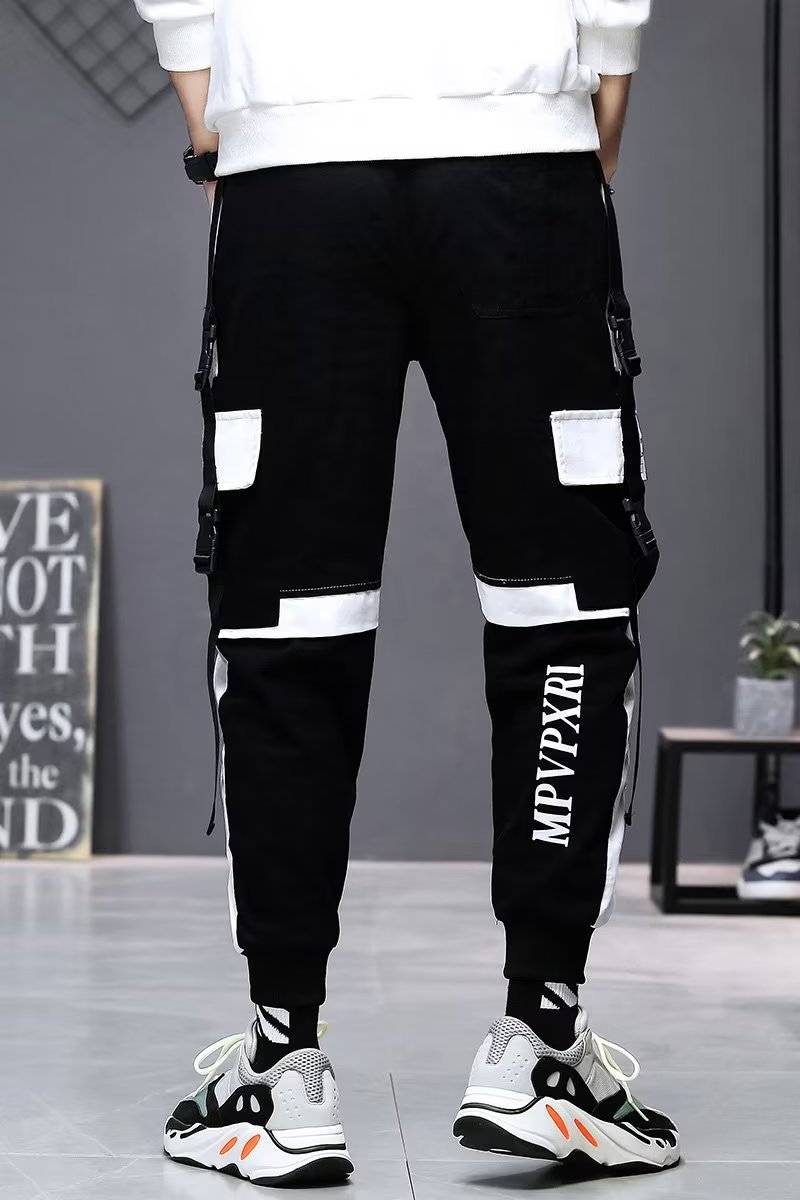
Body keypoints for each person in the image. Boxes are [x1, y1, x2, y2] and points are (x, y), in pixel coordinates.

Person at [134, 0, 680, 1184]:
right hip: (522, 167)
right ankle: (539, 1042)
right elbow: (610, 34)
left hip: (289, 177)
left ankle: (282, 1065)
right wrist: (593, 87)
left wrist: (222, 116)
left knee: (287, 617)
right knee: (560, 605)